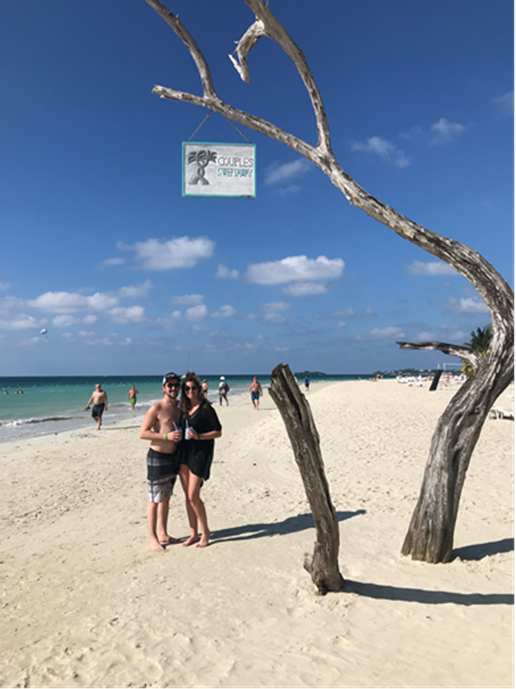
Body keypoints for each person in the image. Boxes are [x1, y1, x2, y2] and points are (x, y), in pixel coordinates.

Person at [139, 372, 183, 552]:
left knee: (166, 497)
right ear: (164, 388)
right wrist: (166, 436)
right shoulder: (156, 408)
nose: (173, 388)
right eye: (170, 385)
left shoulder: (180, 407)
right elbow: (143, 433)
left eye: (176, 385)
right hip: (157, 456)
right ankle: (153, 538)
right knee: (154, 499)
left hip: (173, 457)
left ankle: (163, 533)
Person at [179, 372, 222, 548]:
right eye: (187, 388)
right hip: (184, 454)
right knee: (187, 497)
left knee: (193, 496)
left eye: (193, 388)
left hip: (200, 454)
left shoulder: (205, 409)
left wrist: (199, 436)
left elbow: (218, 431)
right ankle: (193, 534)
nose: (190, 391)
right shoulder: (183, 408)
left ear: (198, 388)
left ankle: (205, 532)